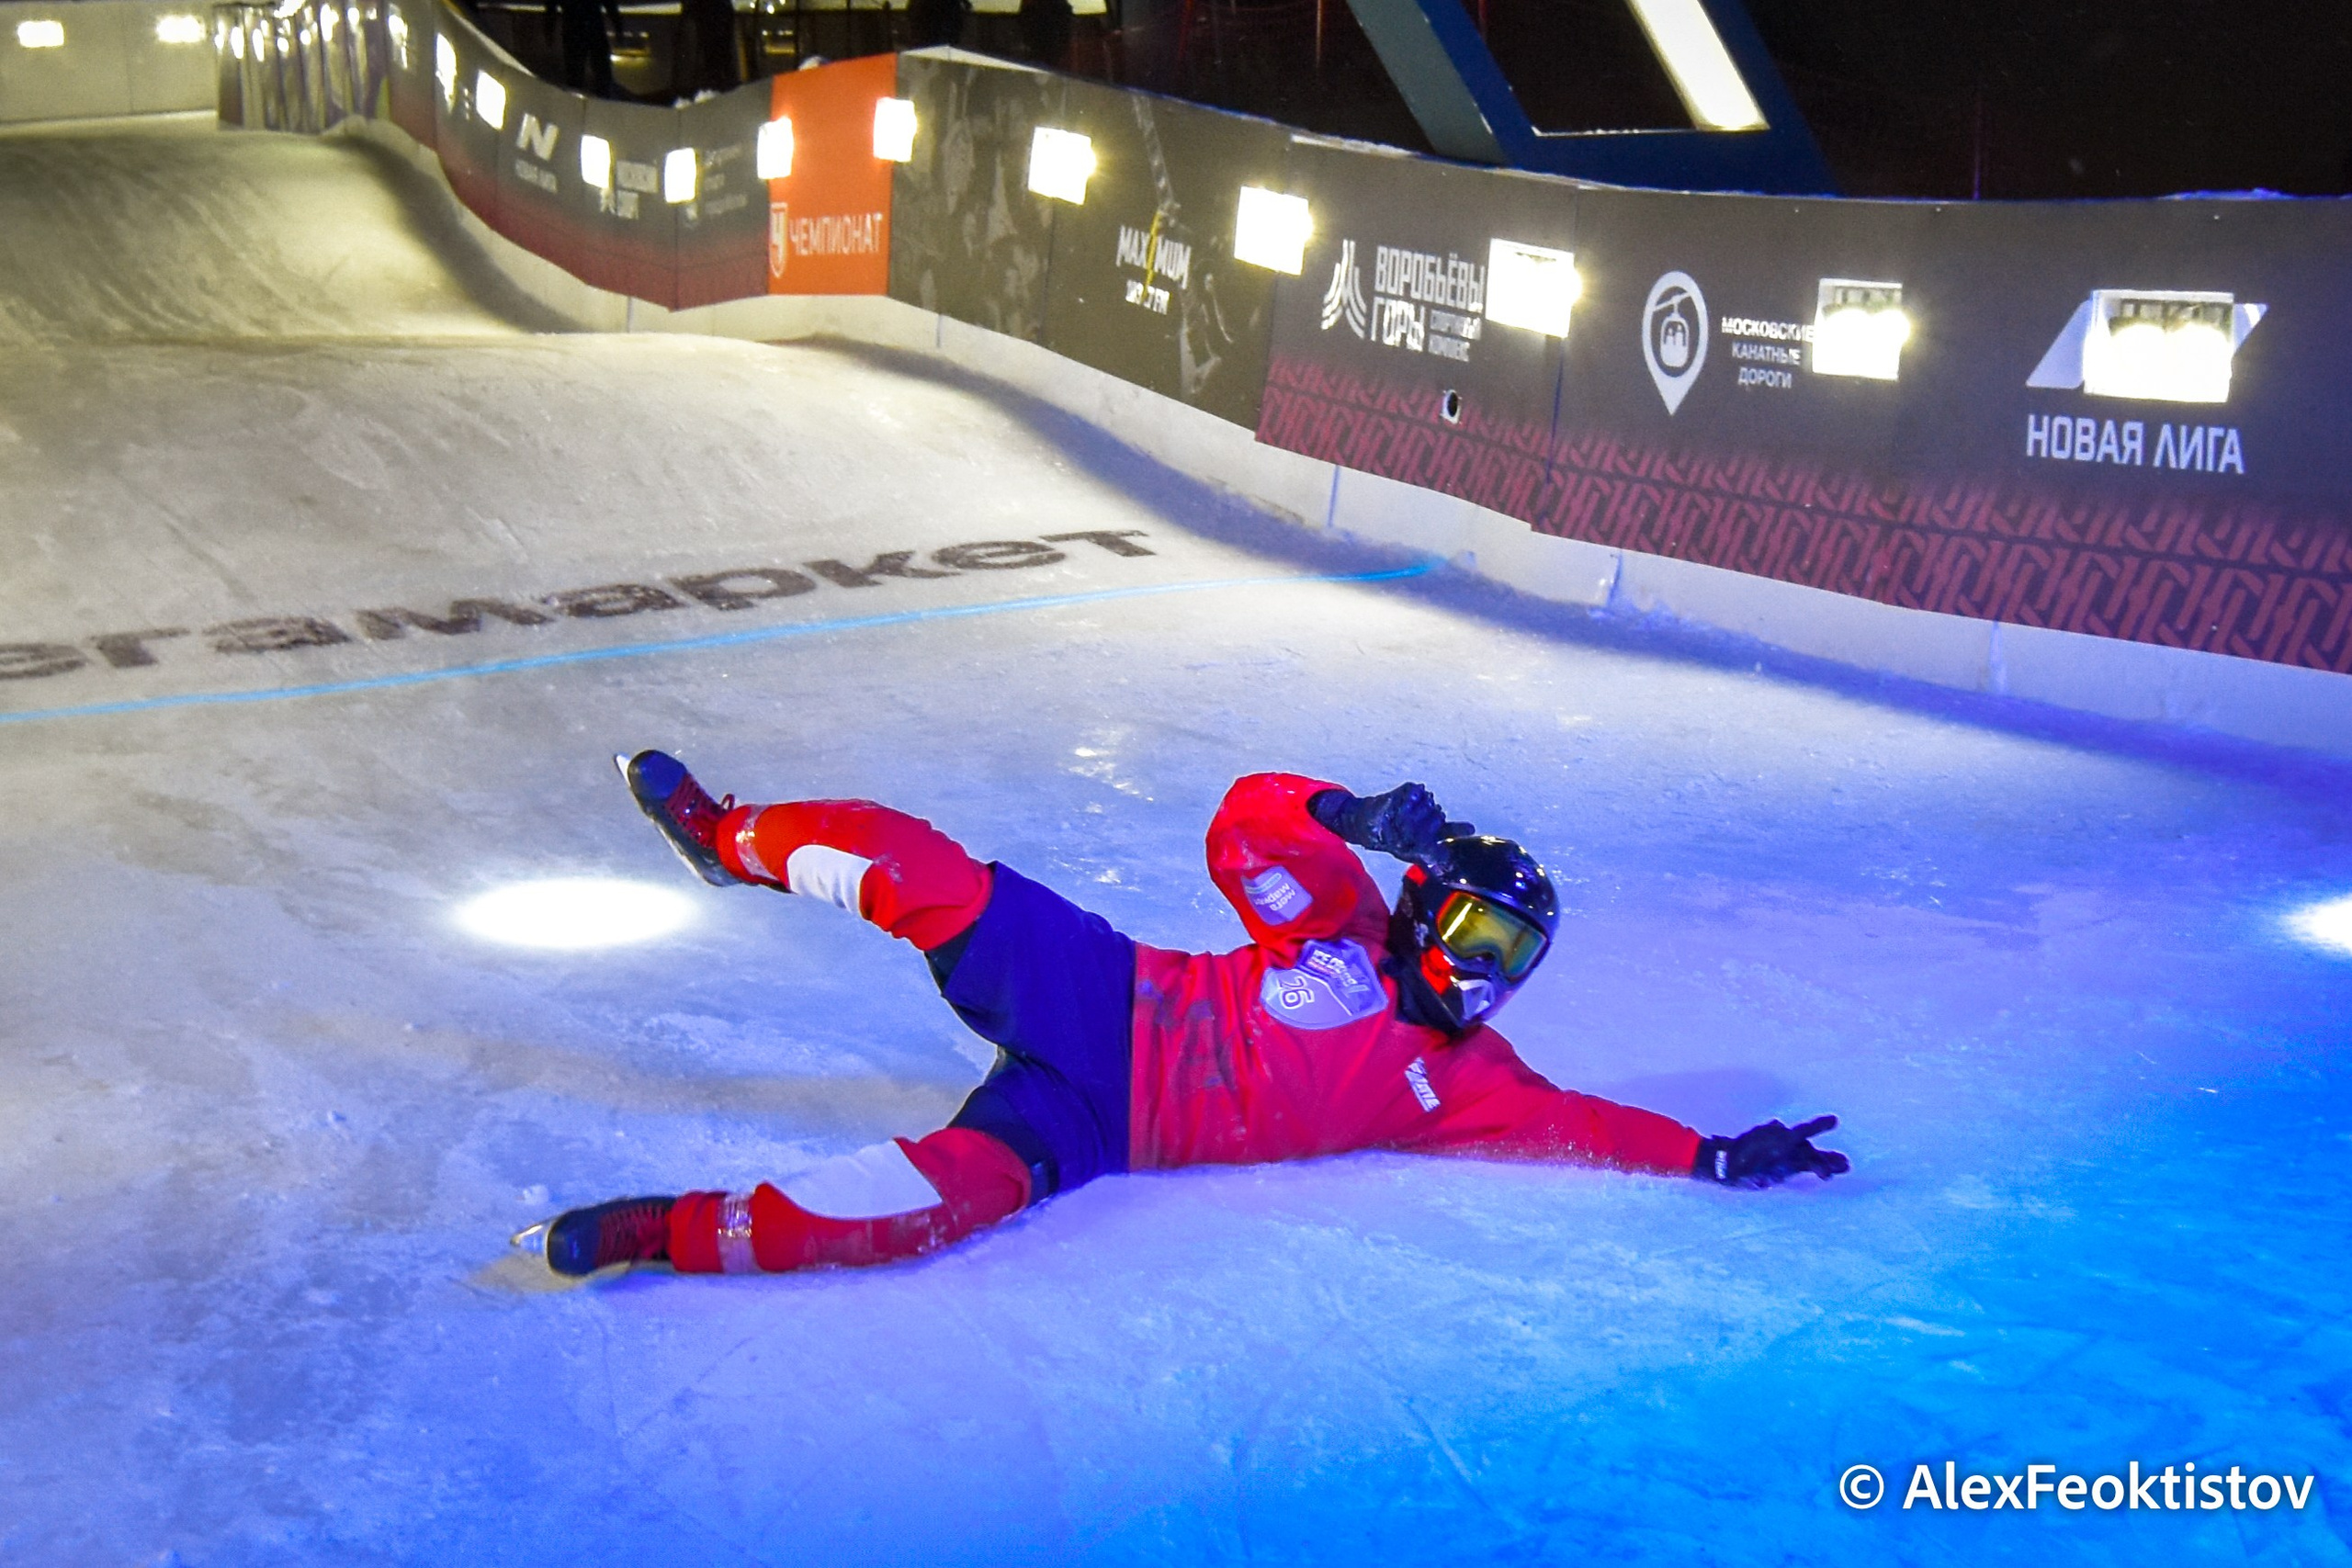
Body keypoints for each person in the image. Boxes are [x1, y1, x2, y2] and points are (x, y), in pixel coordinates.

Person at [528, 755, 1849, 1278]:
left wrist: (1718, 1155)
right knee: (926, 875)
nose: (1485, 967)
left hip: (1098, 1121)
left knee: (924, 1215)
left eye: (1513, 953)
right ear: (1426, 903)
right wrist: (1351, 818)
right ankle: (727, 838)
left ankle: (661, 1228)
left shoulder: (1467, 1079)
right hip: (1103, 987)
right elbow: (1239, 828)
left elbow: (1586, 1124)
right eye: (1475, 928)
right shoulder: (1334, 915)